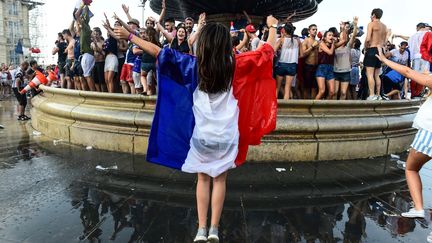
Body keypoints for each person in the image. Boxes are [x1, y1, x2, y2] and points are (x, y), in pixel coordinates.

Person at [114, 15, 279, 243]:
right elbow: (267, 51)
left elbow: (158, 51)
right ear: (225, 45)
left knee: (203, 179)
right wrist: (272, 26)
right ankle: (214, 229)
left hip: (201, 136)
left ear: (203, 44)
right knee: (220, 180)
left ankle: (200, 230)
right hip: (227, 135)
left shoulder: (193, 65)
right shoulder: (236, 64)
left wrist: (131, 36)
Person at [375, 47, 432, 243]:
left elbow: (408, 72)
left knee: (411, 168)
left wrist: (384, 59)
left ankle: (418, 208)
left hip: (430, 133)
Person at [364, 8, 387, 100]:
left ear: (373, 15)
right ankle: (378, 95)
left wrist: (365, 47)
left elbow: (368, 38)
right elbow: (385, 42)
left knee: (369, 74)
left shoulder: (371, 24)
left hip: (372, 49)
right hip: (380, 50)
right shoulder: (384, 26)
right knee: (377, 75)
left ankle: (372, 95)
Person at [274, 23, 302, 99]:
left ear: (285, 32)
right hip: (292, 65)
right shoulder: (297, 41)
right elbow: (301, 54)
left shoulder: (282, 39)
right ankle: (286, 108)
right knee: (287, 88)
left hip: (282, 64)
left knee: (277, 87)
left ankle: (274, 108)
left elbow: (273, 50)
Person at [334, 18, 358, 100]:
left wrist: (355, 25)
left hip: (346, 72)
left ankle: (340, 109)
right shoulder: (334, 46)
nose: (343, 36)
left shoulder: (348, 46)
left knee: (343, 93)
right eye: (341, 35)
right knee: (335, 92)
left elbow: (354, 35)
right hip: (336, 72)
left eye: (345, 35)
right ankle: (332, 109)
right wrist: (342, 28)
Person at [75, 4, 96, 91]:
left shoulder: (85, 26)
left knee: (87, 75)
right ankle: (93, 93)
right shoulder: (85, 28)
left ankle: (93, 94)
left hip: (87, 54)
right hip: (87, 54)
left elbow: (76, 15)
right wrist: (86, 8)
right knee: (87, 75)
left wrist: (83, 4)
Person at [408, 23, 430, 98]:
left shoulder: (412, 36)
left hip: (415, 57)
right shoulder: (428, 33)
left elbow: (410, 48)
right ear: (424, 27)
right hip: (424, 56)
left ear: (417, 28)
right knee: (423, 75)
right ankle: (419, 93)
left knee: (415, 75)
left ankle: (413, 94)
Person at [301, 24, 319, 99]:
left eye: (316, 30)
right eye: (313, 29)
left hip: (316, 67)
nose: (315, 31)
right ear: (309, 31)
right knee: (306, 88)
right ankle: (305, 108)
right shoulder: (306, 41)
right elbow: (303, 54)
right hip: (308, 66)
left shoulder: (318, 42)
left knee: (315, 88)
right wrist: (312, 47)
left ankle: (313, 108)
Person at [91, 27, 105, 92]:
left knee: (101, 80)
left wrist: (96, 45)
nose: (95, 36)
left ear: (100, 34)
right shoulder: (92, 43)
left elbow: (103, 53)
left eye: (97, 34)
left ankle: (103, 93)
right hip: (95, 62)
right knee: (95, 80)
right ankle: (98, 92)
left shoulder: (103, 42)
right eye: (94, 34)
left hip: (101, 62)